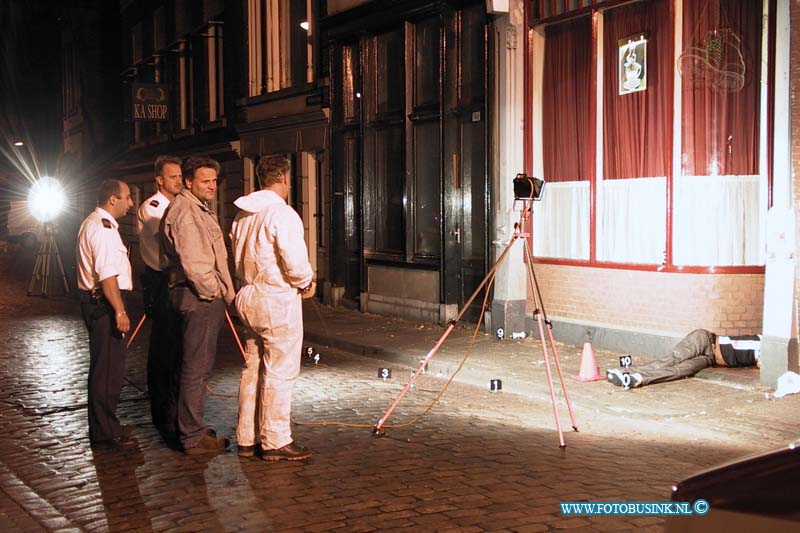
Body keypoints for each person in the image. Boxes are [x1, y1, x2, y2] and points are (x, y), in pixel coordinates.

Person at [230, 155, 315, 461]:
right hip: (276, 298)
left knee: (252, 366)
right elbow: (293, 261)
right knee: (280, 370)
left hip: (248, 293)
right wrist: (306, 282)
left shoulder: (243, 215)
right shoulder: (283, 214)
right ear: (284, 179)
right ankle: (276, 439)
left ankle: (246, 436)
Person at [161, 155, 235, 454]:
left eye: (214, 181)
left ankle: (190, 427)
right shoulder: (187, 213)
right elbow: (196, 264)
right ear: (188, 182)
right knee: (196, 366)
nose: (212, 186)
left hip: (197, 294)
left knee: (194, 365)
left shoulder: (194, 208)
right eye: (205, 181)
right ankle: (191, 435)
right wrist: (215, 291)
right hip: (198, 296)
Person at [77, 179, 135, 447]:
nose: (131, 203)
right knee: (107, 369)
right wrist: (120, 310)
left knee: (107, 367)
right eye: (127, 197)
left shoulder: (95, 222)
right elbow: (107, 275)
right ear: (112, 199)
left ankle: (107, 425)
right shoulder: (102, 229)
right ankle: (105, 432)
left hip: (98, 301)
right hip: (104, 303)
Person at [136, 155, 183, 438]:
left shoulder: (177, 206)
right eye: (173, 176)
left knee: (177, 345)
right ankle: (162, 409)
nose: (178, 180)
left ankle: (172, 406)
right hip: (162, 279)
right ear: (159, 180)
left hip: (173, 279)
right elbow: (168, 247)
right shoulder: (154, 208)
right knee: (164, 347)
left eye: (180, 176)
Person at [606, 329, 761, 389]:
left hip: (710, 359)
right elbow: (760, 358)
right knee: (672, 359)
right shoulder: (759, 342)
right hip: (706, 341)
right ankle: (623, 371)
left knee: (680, 370)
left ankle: (636, 378)